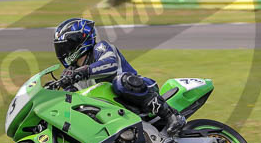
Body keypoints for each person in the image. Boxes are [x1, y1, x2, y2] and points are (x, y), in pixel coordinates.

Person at [50, 18, 187, 135]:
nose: (63, 51)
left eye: (66, 46)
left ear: (78, 41)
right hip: (112, 112)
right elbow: (70, 101)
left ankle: (172, 115)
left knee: (120, 82)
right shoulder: (70, 73)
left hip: (138, 91)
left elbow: (110, 64)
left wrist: (81, 72)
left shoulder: (100, 48)